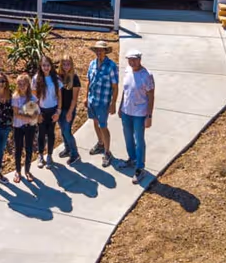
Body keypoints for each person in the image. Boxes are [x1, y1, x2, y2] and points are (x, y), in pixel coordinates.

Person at [118, 49, 155, 184]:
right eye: (130, 59)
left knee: (139, 140)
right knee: (128, 137)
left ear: (140, 59)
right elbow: (125, 90)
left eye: (134, 59)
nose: (132, 62)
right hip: (127, 111)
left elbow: (151, 96)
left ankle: (140, 168)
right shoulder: (128, 71)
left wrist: (149, 115)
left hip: (139, 114)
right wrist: (121, 106)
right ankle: (132, 159)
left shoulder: (147, 75)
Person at [86, 40, 119, 168]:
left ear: (106, 51)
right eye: (97, 50)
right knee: (95, 122)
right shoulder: (92, 64)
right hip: (92, 100)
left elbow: (115, 87)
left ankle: (107, 152)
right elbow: (89, 81)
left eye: (101, 50)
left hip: (103, 102)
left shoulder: (111, 66)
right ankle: (100, 144)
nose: (99, 52)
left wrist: (113, 103)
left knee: (103, 126)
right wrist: (86, 97)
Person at [32, 55, 61, 168]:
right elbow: (34, 97)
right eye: (44, 65)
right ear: (40, 66)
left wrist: (58, 111)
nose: (46, 67)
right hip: (41, 111)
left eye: (48, 65)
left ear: (51, 66)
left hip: (53, 110)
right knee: (41, 133)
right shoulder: (36, 78)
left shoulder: (56, 79)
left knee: (51, 133)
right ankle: (40, 155)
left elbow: (59, 96)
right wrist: (37, 113)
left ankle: (49, 155)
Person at [11, 73, 39, 183]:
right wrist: (29, 117)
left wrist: (34, 116)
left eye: (24, 84)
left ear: (28, 84)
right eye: (19, 84)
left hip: (30, 127)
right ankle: (18, 171)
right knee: (18, 149)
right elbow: (16, 114)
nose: (22, 86)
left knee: (29, 148)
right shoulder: (15, 97)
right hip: (18, 126)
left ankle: (27, 170)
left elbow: (36, 112)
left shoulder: (32, 97)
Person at [57, 54, 81, 165]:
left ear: (71, 65)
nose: (66, 66)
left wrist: (70, 112)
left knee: (67, 131)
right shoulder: (58, 77)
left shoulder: (75, 78)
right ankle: (67, 149)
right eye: (64, 64)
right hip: (59, 109)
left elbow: (74, 99)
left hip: (69, 109)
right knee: (63, 131)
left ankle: (75, 154)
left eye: (68, 64)